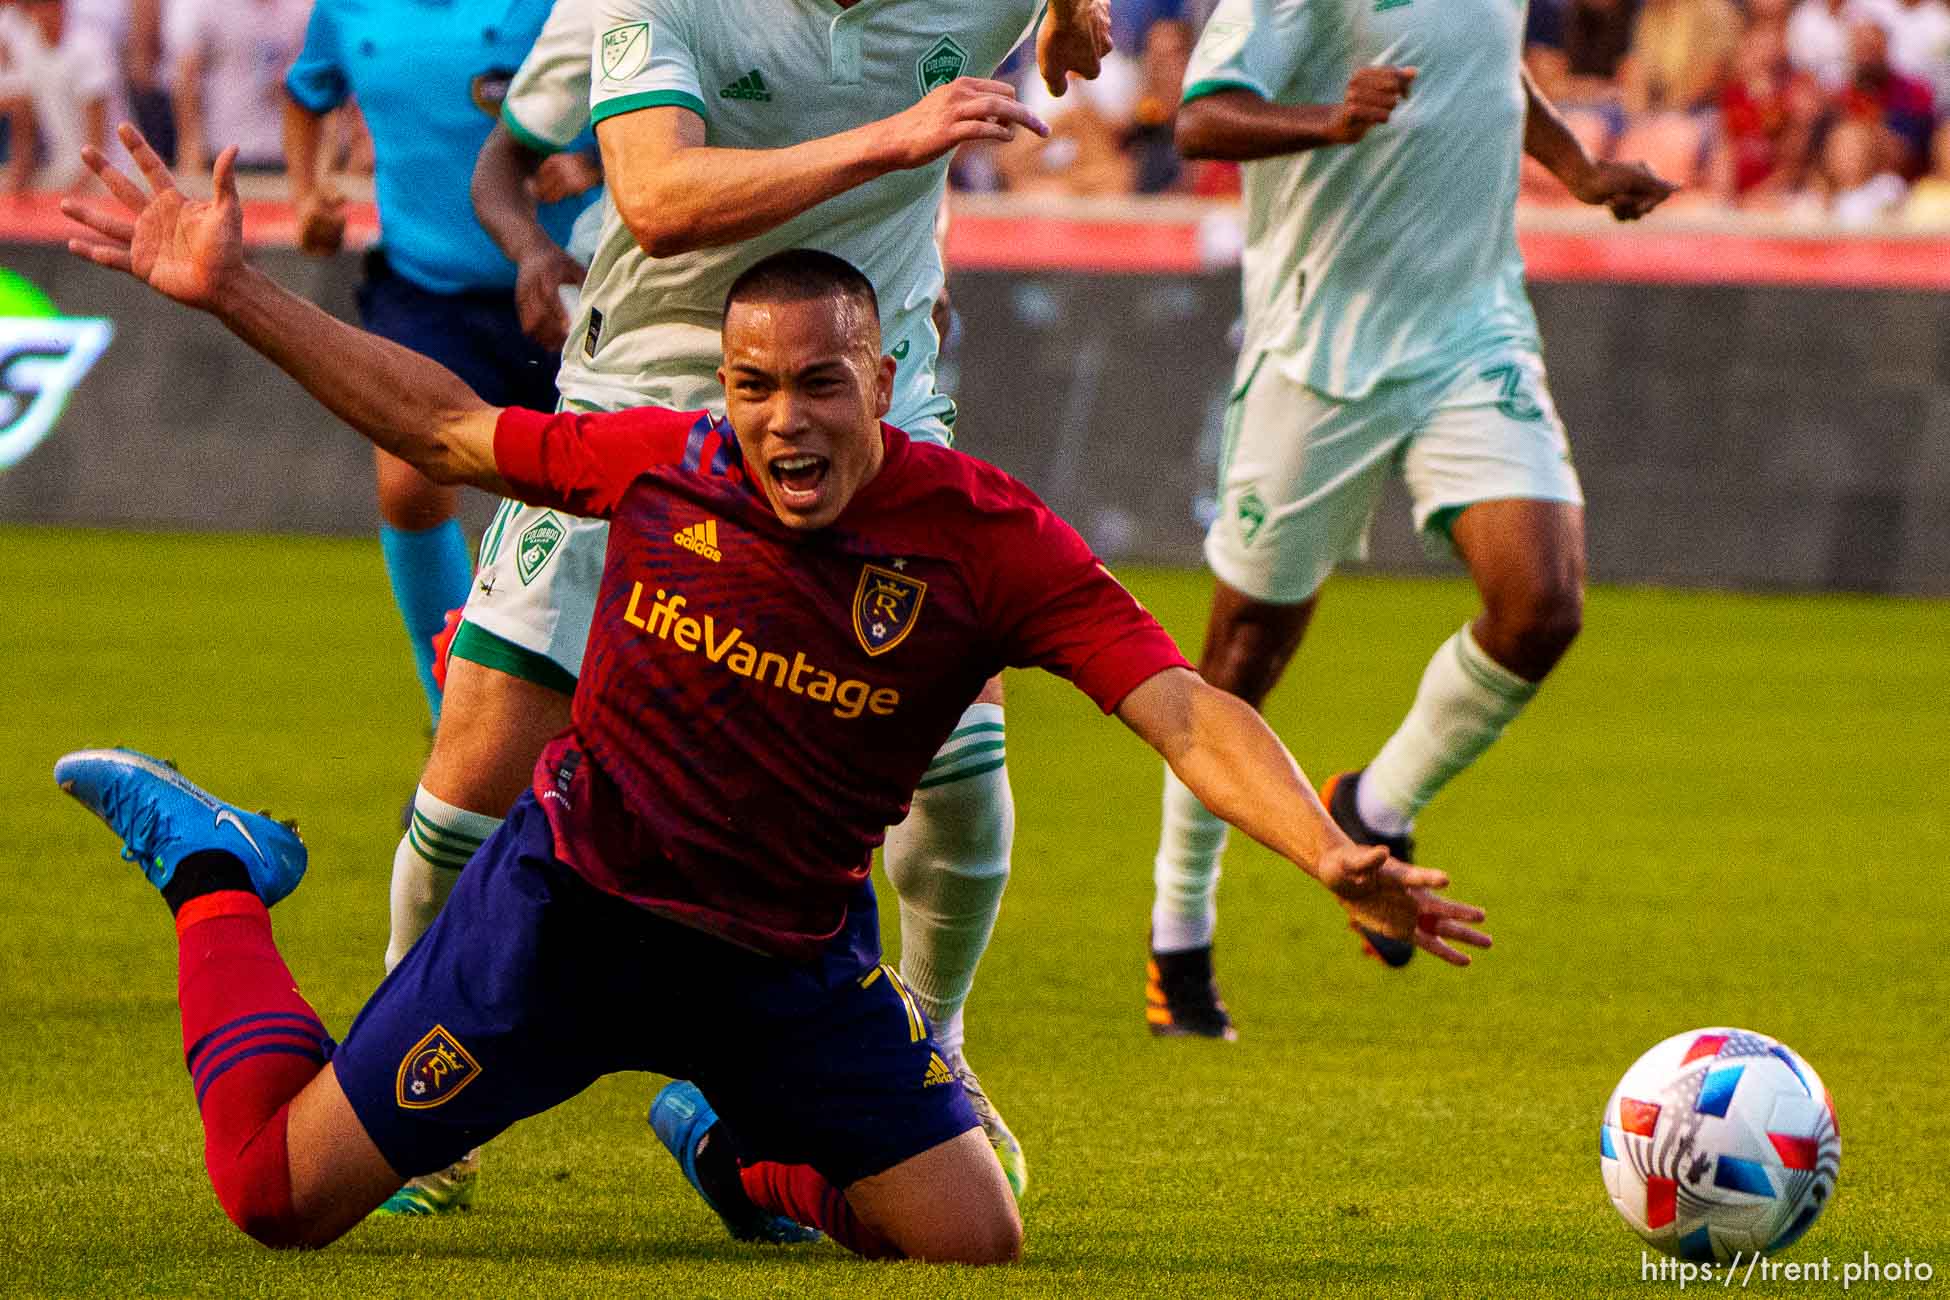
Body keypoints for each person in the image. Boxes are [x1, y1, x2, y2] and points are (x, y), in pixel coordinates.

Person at [56, 128, 1492, 1261]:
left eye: (818, 384)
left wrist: (1321, 846)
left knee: (969, 1234)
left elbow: (1177, 704)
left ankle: (725, 1140)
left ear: (885, 374)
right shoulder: (661, 461)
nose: (781, 421)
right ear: (723, 383)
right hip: (566, 919)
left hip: (783, 963)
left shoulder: (989, 542)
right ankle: (214, 871)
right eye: (753, 385)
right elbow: (438, 423)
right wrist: (233, 288)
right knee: (269, 1197)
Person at [392, 0, 1115, 1207]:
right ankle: (419, 1077)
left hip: (863, 420)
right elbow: (659, 199)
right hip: (640, 405)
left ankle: (933, 1049)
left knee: (965, 775)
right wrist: (897, 136)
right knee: (468, 788)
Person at [1143, 0, 1673, 1039]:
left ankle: (1374, 805)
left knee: (1543, 604)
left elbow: (1486, 65)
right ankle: (1179, 934)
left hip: (1472, 334)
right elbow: (1201, 121)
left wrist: (1574, 169)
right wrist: (1328, 121)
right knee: (1239, 660)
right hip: (1315, 354)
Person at [280, 0, 600, 733]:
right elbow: (306, 97)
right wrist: (306, 197)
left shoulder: (557, 6)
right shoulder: (347, 12)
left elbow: (644, 92)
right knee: (410, 480)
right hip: (425, 292)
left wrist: (587, 160)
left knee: (588, 505)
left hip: (569, 285)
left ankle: (583, 729)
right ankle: (449, 716)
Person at [166, 0, 311, 174]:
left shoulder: (302, 8)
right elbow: (187, 77)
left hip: (286, 151)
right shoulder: (202, 5)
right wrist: (190, 147)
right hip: (223, 147)